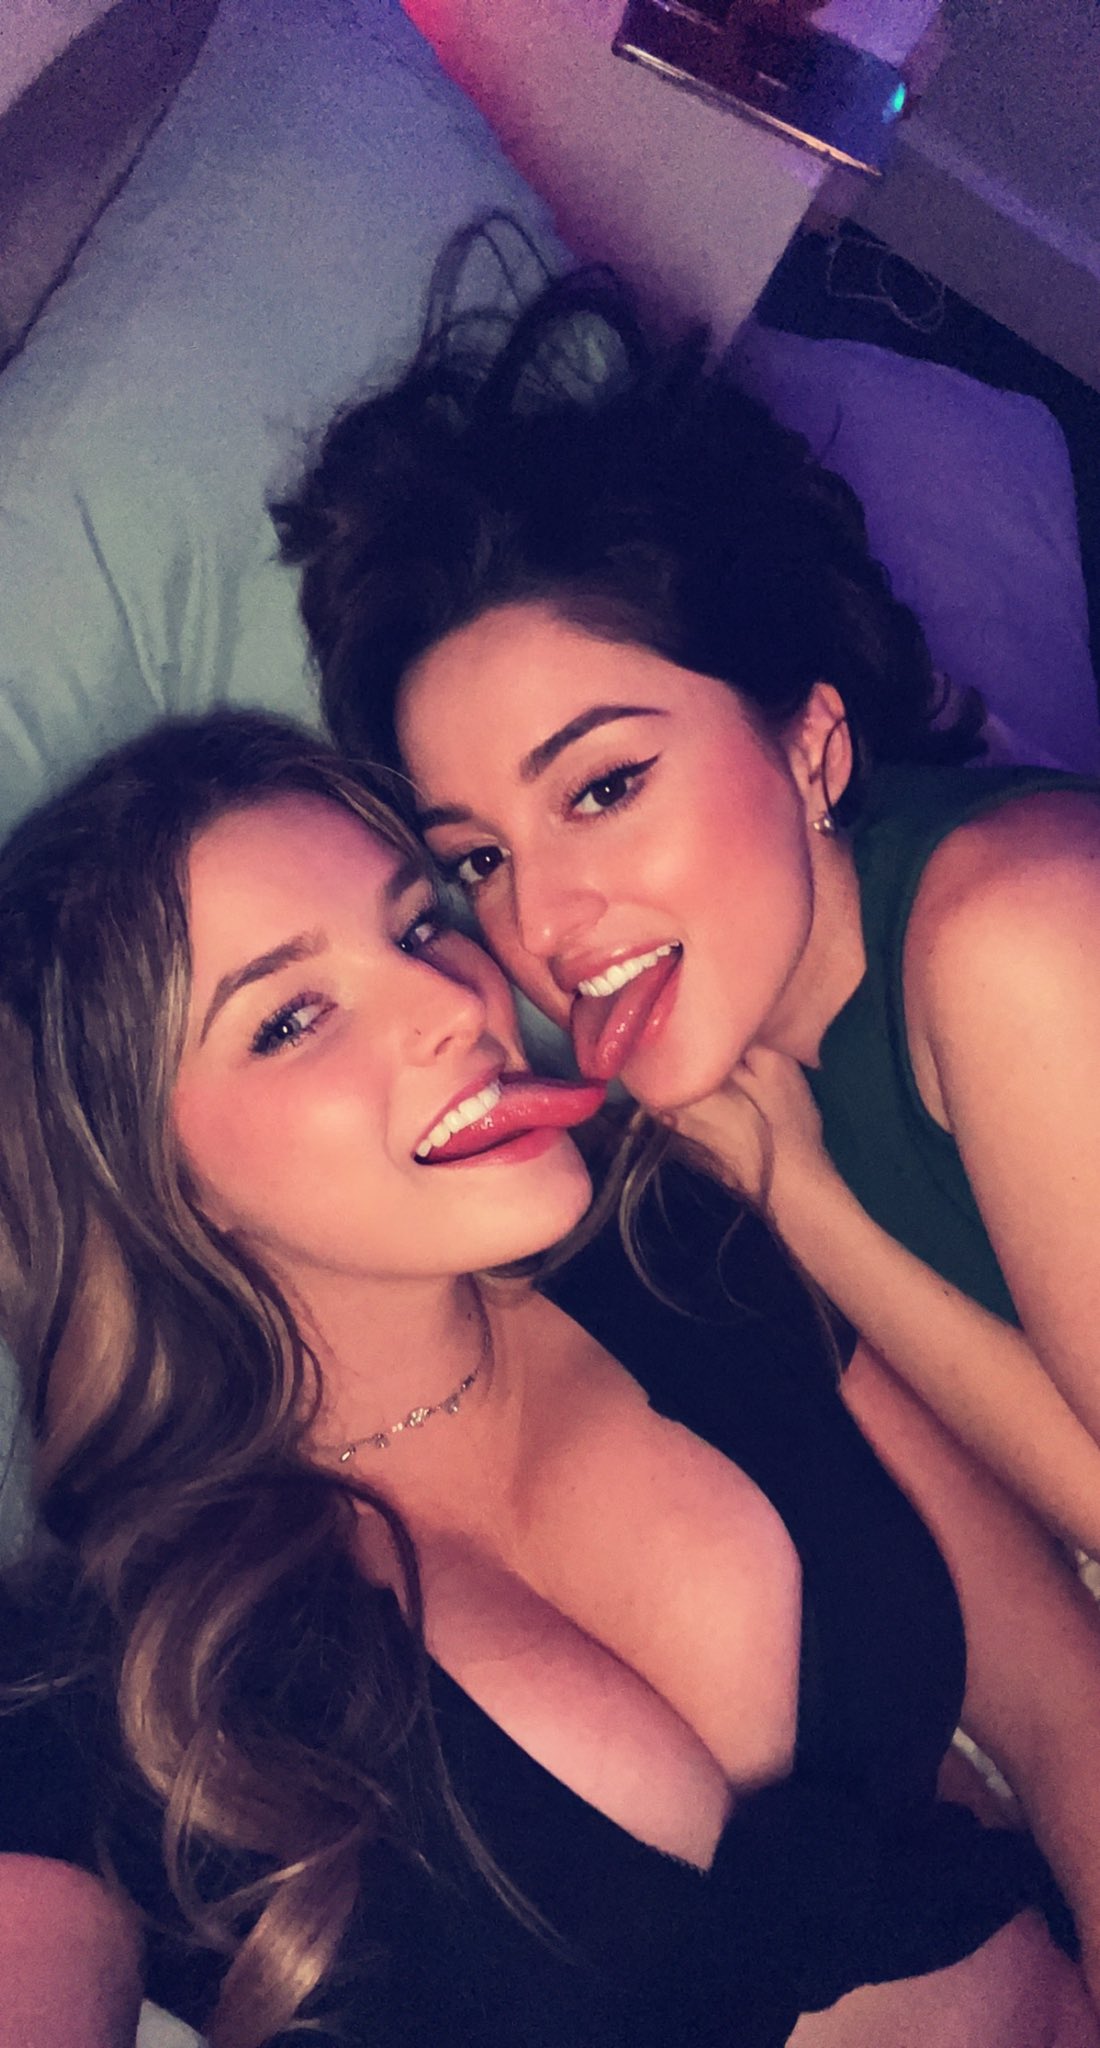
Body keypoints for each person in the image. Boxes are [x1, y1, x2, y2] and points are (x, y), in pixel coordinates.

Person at [3, 710, 1100, 2048]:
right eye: (291, 1018)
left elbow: (1061, 1702)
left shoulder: (677, 1240)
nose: (459, 1005)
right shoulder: (102, 1675)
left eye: (420, 926)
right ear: (148, 1180)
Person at [272, 238, 1100, 1563]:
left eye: (603, 788)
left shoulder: (1012, 935)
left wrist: (806, 1203)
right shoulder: (742, 1065)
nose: (543, 926)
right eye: (478, 861)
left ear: (810, 742)